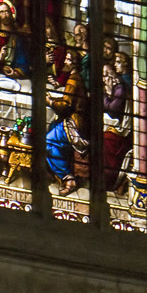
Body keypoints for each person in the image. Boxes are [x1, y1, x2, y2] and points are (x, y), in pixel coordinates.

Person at [45, 43, 89, 196]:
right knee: (51, 127)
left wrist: (50, 102)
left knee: (48, 142)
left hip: (75, 124)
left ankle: (68, 178)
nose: (65, 62)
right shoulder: (75, 78)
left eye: (68, 60)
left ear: (74, 64)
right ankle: (51, 172)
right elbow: (68, 100)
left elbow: (66, 106)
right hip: (74, 119)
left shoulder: (73, 80)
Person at [102, 51, 134, 192]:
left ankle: (111, 180)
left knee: (105, 139)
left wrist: (106, 94)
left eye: (118, 62)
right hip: (124, 125)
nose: (115, 65)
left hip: (125, 129)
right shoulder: (121, 81)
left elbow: (113, 110)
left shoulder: (122, 85)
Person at [0, 0, 32, 79]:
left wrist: (16, 73)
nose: (5, 15)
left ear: (11, 13)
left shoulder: (17, 36)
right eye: (2, 12)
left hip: (13, 75)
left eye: (7, 11)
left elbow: (23, 60)